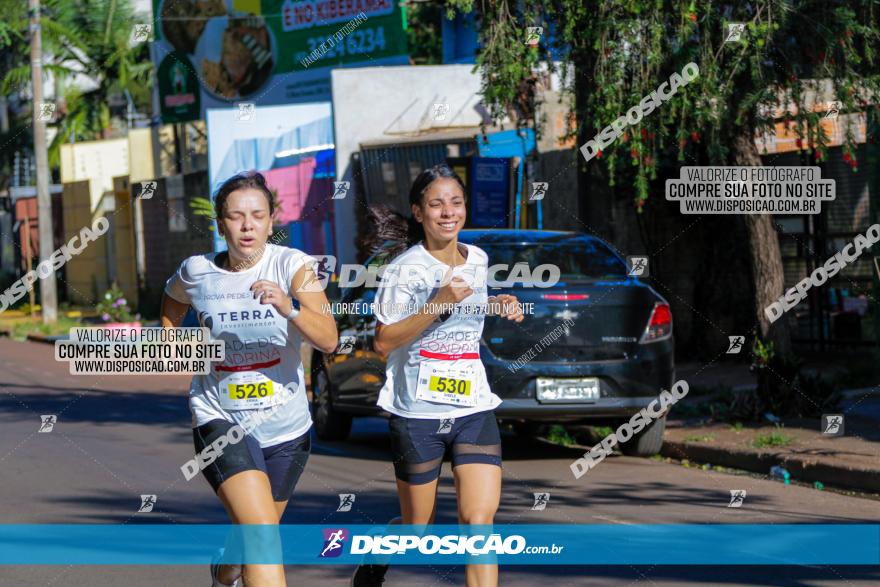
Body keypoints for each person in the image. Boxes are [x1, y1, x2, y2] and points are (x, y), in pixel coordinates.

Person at [161, 171, 338, 587]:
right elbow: (171, 305)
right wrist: (179, 348)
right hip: (220, 418)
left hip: (287, 428)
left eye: (257, 216)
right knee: (262, 535)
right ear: (220, 223)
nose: (247, 226)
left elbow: (329, 339)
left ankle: (225, 568)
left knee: (254, 536)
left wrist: (289, 307)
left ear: (271, 221)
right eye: (236, 216)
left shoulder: (293, 265)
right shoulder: (197, 271)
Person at [352, 164, 524, 587]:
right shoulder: (405, 270)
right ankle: (376, 558)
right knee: (417, 529)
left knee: (478, 524)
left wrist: (498, 302)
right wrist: (438, 301)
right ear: (418, 211)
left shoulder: (478, 258)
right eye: (436, 204)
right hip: (418, 412)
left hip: (473, 405)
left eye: (456, 202)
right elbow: (384, 341)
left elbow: (466, 314)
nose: (448, 212)